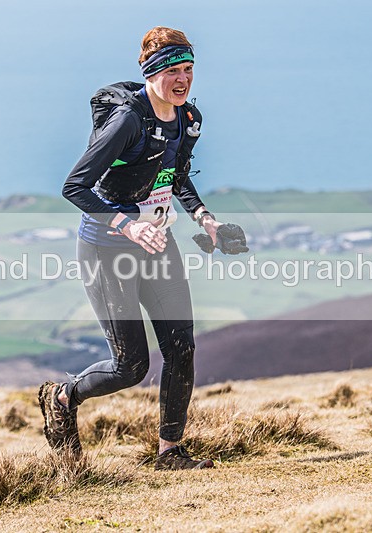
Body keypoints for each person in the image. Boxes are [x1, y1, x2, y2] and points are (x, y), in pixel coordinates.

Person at [38, 26, 247, 470]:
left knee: (181, 346)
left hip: (158, 243)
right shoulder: (127, 121)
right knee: (130, 367)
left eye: (188, 69)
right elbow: (74, 186)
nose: (182, 79)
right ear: (152, 72)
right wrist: (128, 226)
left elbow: (175, 176)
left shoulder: (188, 119)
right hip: (107, 250)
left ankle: (170, 451)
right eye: (172, 70)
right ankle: (62, 396)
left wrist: (206, 220)